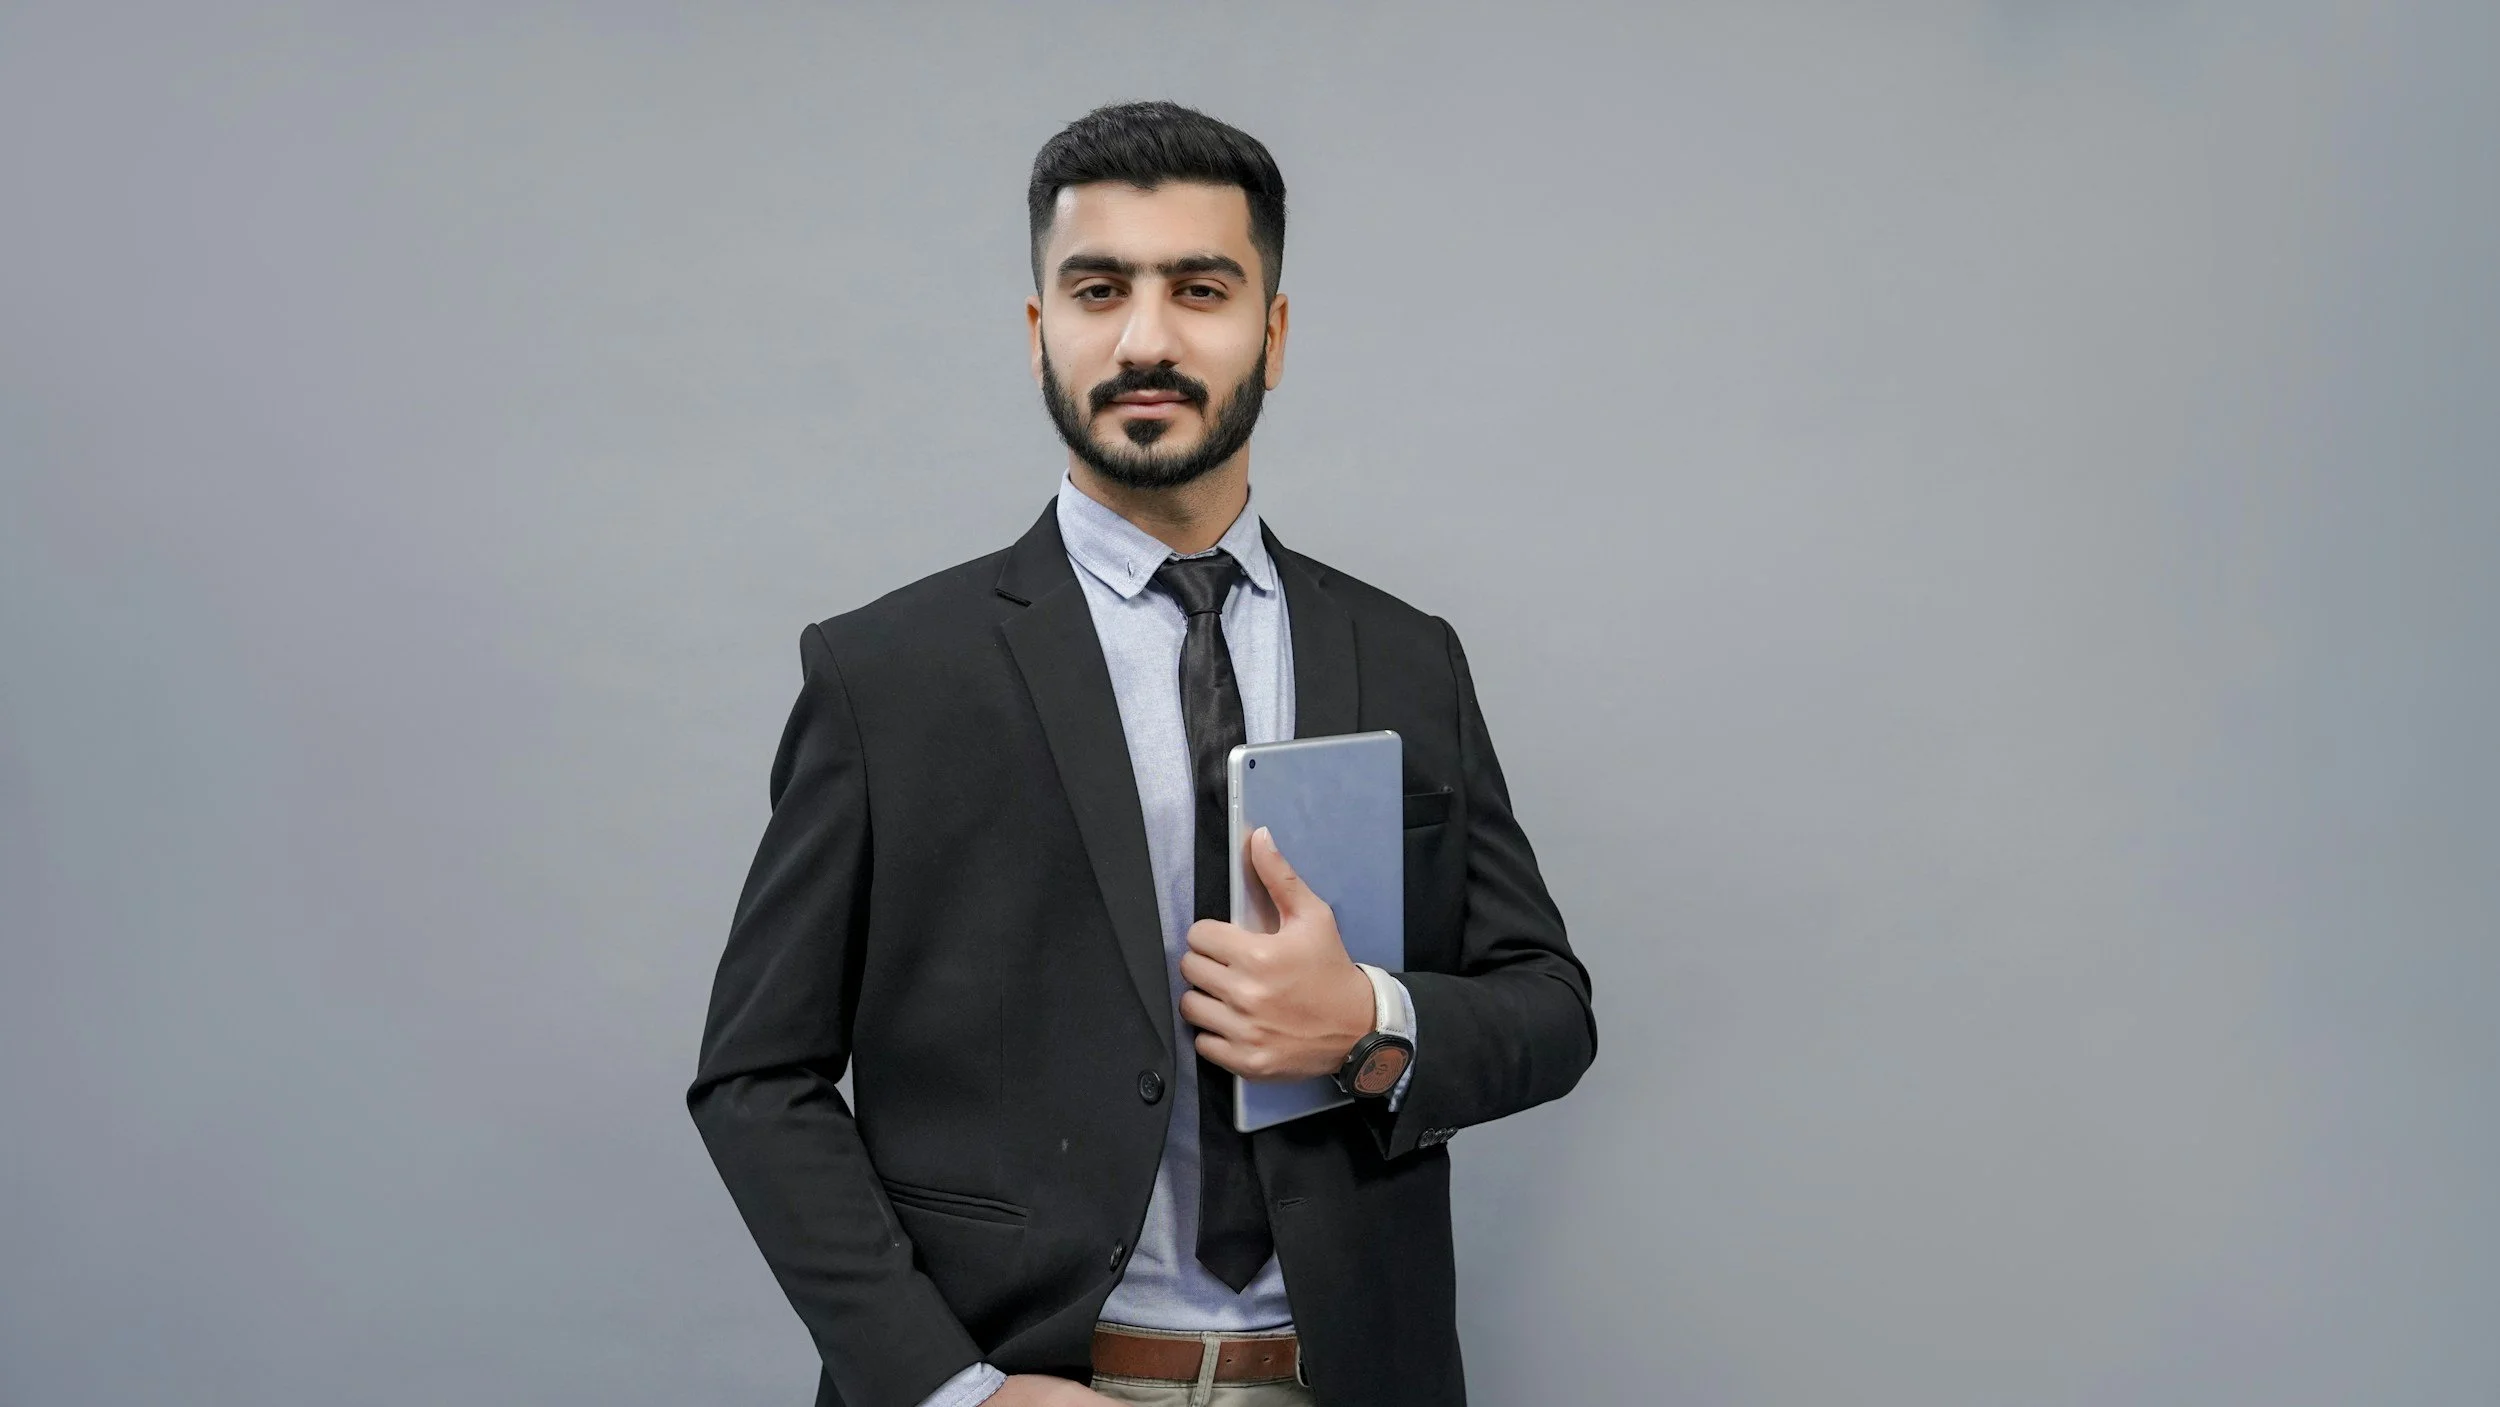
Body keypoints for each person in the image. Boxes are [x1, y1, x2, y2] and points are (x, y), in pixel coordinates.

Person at [688, 100, 1596, 1407]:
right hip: (1033, 1381)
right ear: (1039, 329)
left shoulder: (1408, 654)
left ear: (1272, 334)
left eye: (1203, 288)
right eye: (1099, 287)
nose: (1148, 337)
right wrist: (957, 1391)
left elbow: (1548, 1004)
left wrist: (1371, 1022)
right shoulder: (887, 672)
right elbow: (754, 1075)